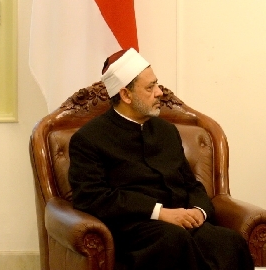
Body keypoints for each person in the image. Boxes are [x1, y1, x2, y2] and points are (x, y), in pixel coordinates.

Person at [68, 48, 254, 270]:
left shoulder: (166, 131)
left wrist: (199, 211)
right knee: (173, 240)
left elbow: (190, 184)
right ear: (126, 95)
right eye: (150, 87)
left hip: (182, 222)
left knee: (230, 243)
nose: (159, 93)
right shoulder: (89, 138)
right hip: (135, 230)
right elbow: (91, 197)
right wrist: (159, 213)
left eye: (156, 84)